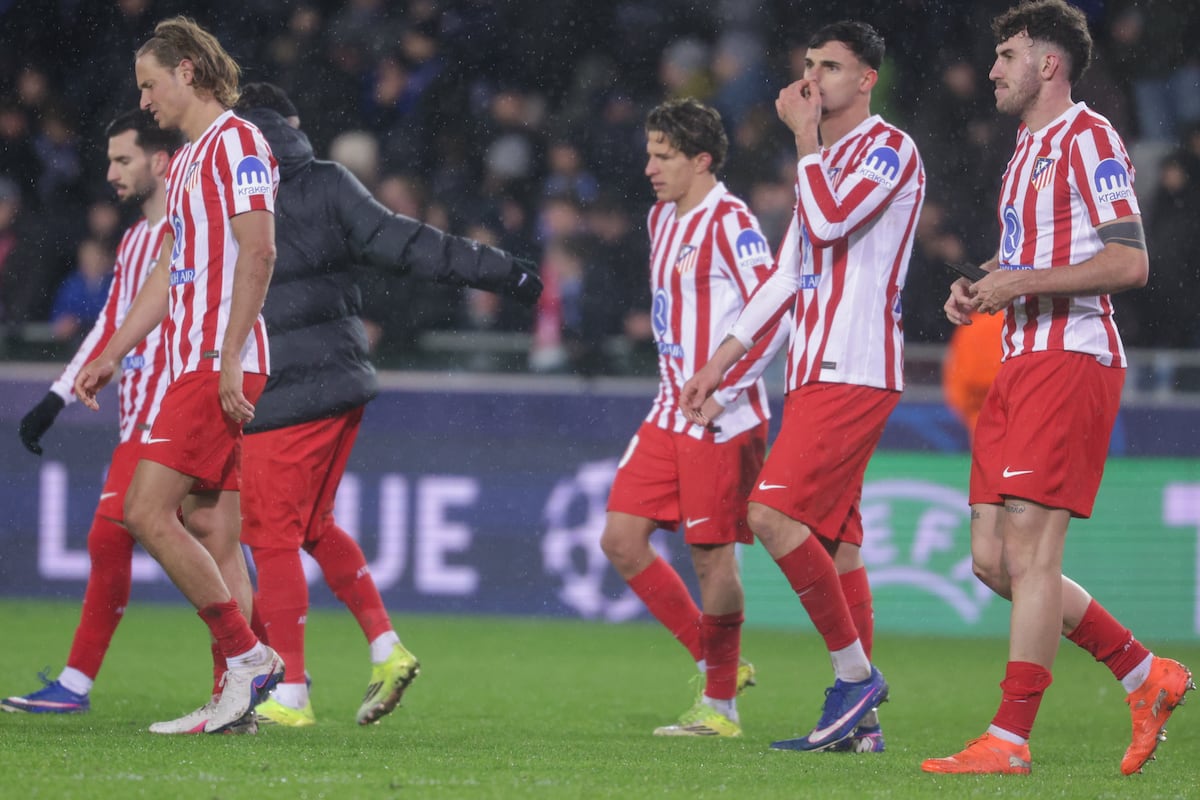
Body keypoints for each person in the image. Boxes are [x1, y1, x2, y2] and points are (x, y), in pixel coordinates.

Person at [921, 0, 1193, 776]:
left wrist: (1022, 283)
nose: (994, 69)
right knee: (991, 561)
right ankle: (1146, 673)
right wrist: (981, 288)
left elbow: (1130, 262)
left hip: (1069, 358)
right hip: (1015, 361)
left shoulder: (1091, 137)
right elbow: (1029, 262)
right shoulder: (1021, 152)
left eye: (1008, 56)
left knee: (1033, 554)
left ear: (1049, 64)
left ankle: (1008, 741)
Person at [231, 82, 542, 727]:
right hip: (342, 381)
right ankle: (386, 647)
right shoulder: (328, 182)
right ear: (290, 125)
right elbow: (407, 242)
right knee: (312, 528)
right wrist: (498, 269)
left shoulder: (229, 192)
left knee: (270, 536)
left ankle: (290, 694)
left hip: (283, 388)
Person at [680, 20, 925, 753]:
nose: (815, 79)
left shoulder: (890, 150)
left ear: (867, 79)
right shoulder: (824, 157)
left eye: (832, 67)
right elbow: (790, 274)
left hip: (856, 367)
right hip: (815, 369)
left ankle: (855, 677)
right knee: (840, 548)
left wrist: (803, 139)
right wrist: (722, 359)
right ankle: (863, 728)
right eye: (809, 66)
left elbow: (829, 216)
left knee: (770, 518)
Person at [73, 16, 284, 735]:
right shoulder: (191, 158)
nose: (146, 100)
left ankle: (247, 657)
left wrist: (227, 356)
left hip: (215, 365)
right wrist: (115, 350)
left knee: (146, 512)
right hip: (193, 361)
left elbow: (260, 253)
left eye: (150, 84)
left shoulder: (241, 144)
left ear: (187, 72)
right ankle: (236, 701)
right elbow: (174, 270)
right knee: (207, 527)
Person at [599, 97, 784, 738]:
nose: (650, 167)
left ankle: (721, 707)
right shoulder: (660, 219)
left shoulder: (730, 221)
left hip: (721, 416)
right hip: (668, 406)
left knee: (711, 560)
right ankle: (717, 664)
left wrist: (727, 390)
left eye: (664, 156)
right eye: (650, 153)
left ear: (701, 160)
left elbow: (774, 311)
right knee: (621, 539)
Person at [1, 109, 182, 715]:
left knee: (118, 538)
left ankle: (255, 669)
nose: (111, 173)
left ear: (160, 161)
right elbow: (110, 325)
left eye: (123, 159)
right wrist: (56, 396)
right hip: (142, 414)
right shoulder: (134, 241)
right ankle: (261, 669)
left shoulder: (194, 234)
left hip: (177, 410)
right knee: (201, 541)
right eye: (108, 160)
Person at [941, 310, 1005, 443]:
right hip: (1005, 391)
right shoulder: (1012, 321)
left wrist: (957, 400)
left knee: (984, 448)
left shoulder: (971, 323)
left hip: (975, 394)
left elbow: (953, 363)